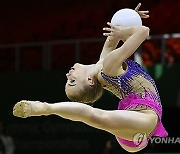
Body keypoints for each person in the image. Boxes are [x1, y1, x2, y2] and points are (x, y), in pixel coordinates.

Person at [13, 3, 168, 153]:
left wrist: (129, 18)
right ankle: (45, 108)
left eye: (68, 80)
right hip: (142, 120)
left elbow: (112, 39)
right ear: (89, 81)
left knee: (99, 118)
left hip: (131, 127)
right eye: (72, 81)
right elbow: (143, 32)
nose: (68, 75)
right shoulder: (109, 66)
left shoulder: (103, 62)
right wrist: (127, 31)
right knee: (95, 116)